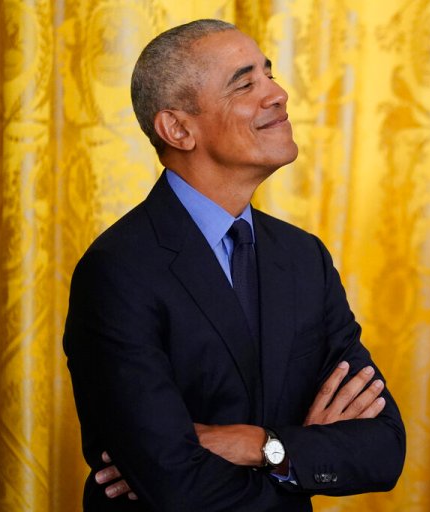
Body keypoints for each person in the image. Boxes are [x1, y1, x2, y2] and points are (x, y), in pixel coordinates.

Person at [63, 19, 405, 511]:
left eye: (270, 74)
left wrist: (260, 444)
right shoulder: (117, 270)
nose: (279, 94)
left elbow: (383, 449)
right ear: (178, 129)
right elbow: (175, 488)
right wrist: (299, 455)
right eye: (245, 83)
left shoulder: (302, 256)